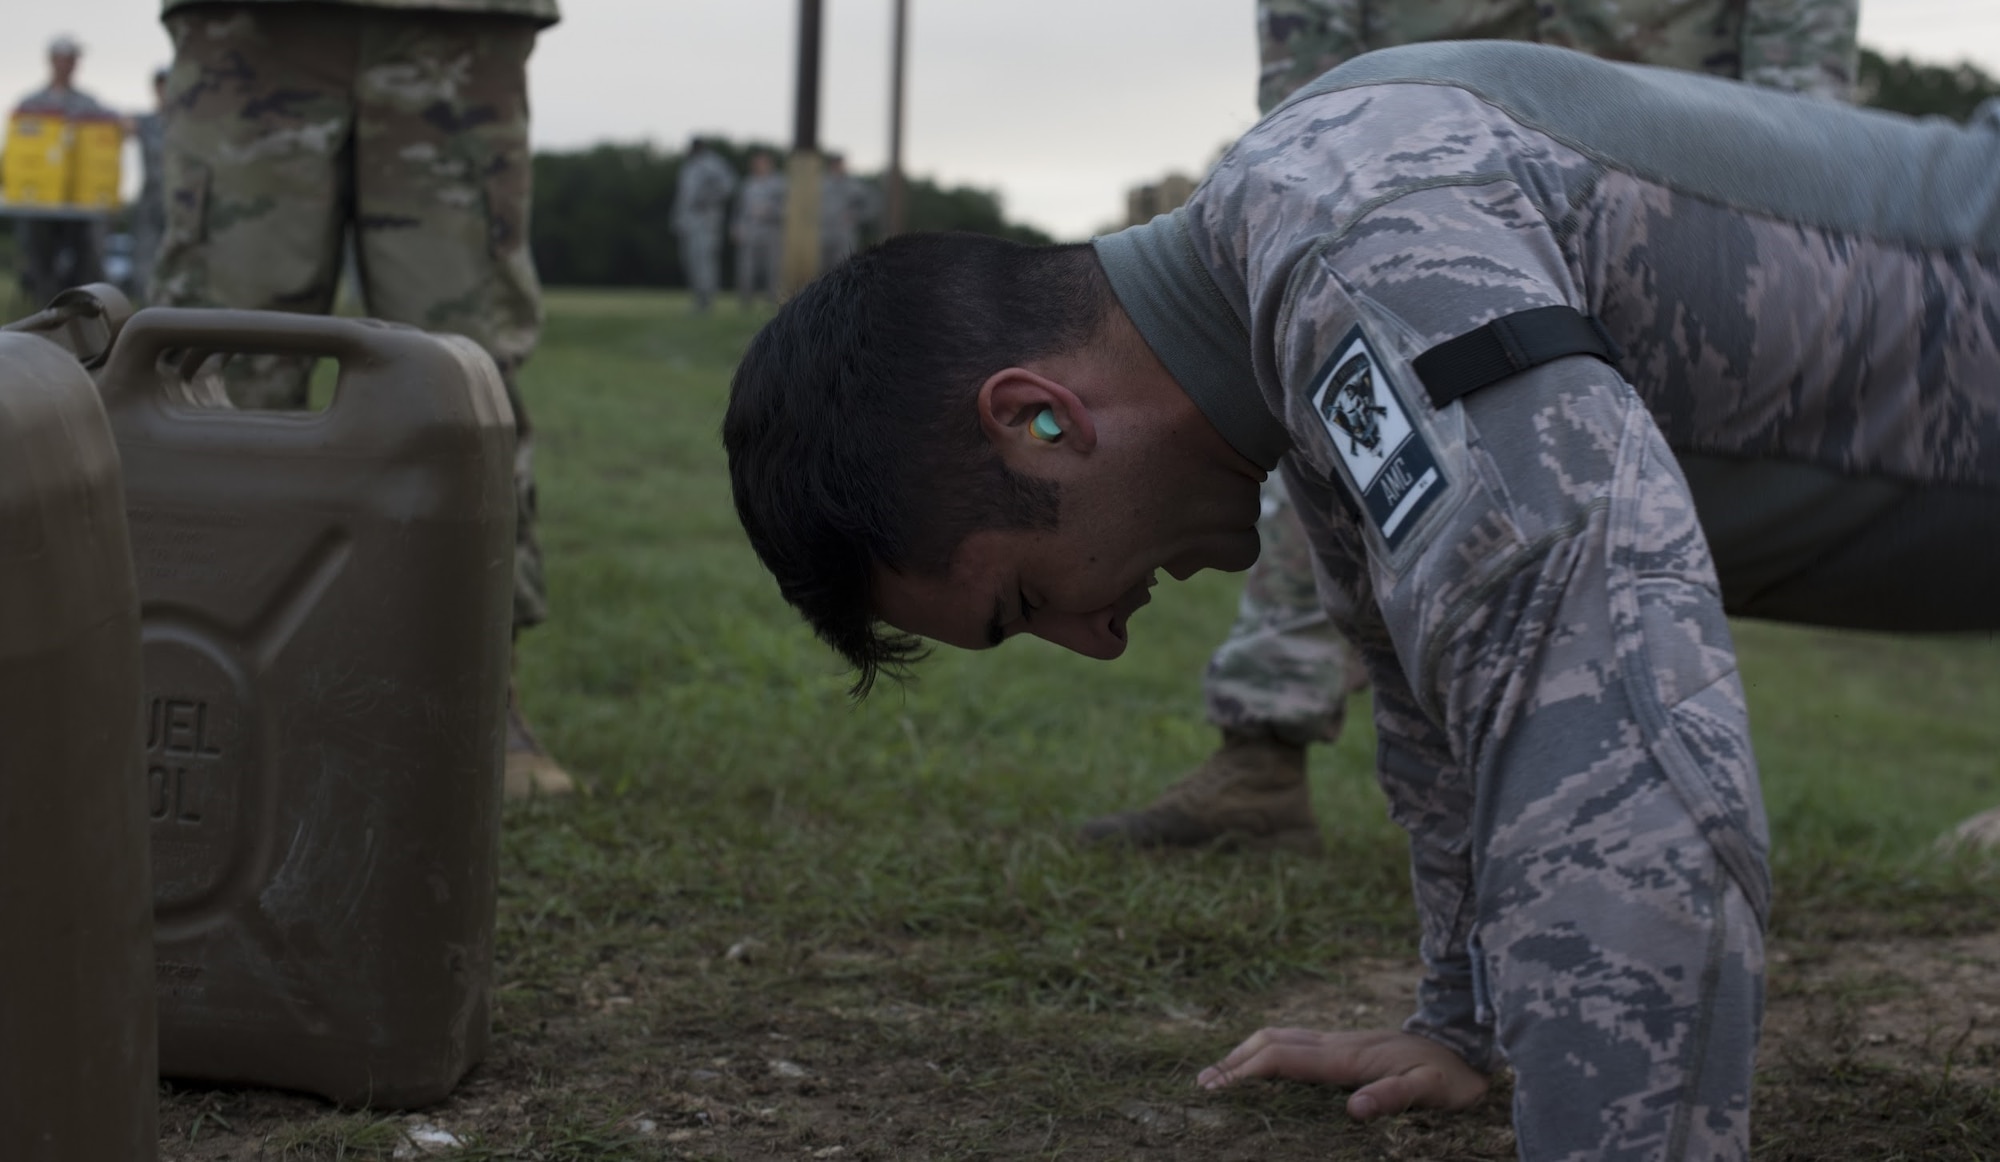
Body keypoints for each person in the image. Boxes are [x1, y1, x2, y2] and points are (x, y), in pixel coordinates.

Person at [723, 43, 2000, 1158]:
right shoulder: (1281, 319)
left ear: (1037, 419)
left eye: (1024, 600)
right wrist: (1464, 1020)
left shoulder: (1357, 227)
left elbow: (1606, 718)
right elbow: (1442, 696)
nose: (1097, 640)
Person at [1080, 0, 1863, 854]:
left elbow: (1803, 101)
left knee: (1615, 515)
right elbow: (1303, 89)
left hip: (1664, 221)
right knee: (1356, 445)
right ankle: (1262, 757)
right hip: (1414, 214)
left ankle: (1619, 803)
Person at [150, 0, 572, 797]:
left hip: (455, 27)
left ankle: (479, 694)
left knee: (462, 378)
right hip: (251, 31)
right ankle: (200, 684)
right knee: (219, 373)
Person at [11, 35, 110, 305]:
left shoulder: (89, 104)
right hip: (40, 202)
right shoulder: (31, 103)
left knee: (85, 260)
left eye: (72, 60)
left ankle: (78, 318)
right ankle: (43, 317)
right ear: (52, 61)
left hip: (79, 202)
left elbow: (108, 133)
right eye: (62, 59)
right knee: (40, 261)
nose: (67, 65)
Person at [673, 137, 738, 313]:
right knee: (690, 261)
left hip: (706, 220)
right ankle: (698, 298)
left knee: (705, 261)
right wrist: (678, 220)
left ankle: (707, 301)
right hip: (689, 221)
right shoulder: (689, 166)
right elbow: (683, 196)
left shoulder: (713, 163)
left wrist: (709, 199)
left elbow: (729, 185)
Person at [128, 67, 169, 300]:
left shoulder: (189, 123)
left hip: (182, 200)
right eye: (161, 86)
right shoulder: (144, 122)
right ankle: (146, 306)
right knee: (144, 256)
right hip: (150, 198)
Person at [732, 151, 786, 309]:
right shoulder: (747, 184)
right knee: (746, 268)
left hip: (771, 232)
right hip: (750, 231)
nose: (759, 166)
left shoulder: (780, 183)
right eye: (757, 163)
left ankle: (773, 300)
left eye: (763, 163)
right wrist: (736, 227)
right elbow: (738, 209)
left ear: (770, 164)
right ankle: (745, 300)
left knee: (773, 269)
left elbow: (789, 208)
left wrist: (770, 210)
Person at [817, 153, 879, 272]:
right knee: (819, 272)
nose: (839, 168)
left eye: (841, 165)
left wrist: (857, 216)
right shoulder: (820, 185)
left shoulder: (855, 186)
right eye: (836, 165)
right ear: (830, 166)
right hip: (822, 235)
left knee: (844, 270)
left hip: (844, 237)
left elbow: (873, 204)